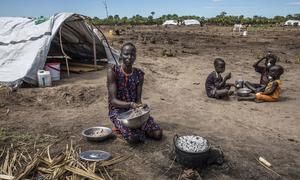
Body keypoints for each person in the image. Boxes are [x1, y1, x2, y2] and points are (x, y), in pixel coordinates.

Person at [107, 42, 162, 143]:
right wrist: (131, 104)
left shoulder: (139, 74)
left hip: (134, 111)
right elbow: (113, 101)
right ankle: (128, 129)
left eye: (132, 55)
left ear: (135, 56)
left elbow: (138, 100)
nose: (129, 57)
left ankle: (137, 129)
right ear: (121, 55)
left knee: (158, 134)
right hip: (118, 112)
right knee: (133, 138)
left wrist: (142, 107)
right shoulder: (113, 72)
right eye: (126, 54)